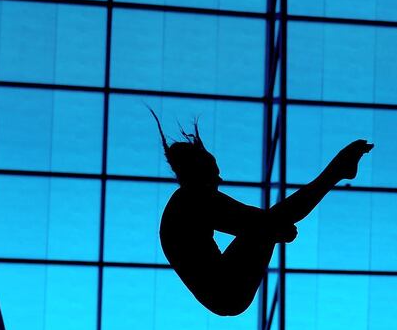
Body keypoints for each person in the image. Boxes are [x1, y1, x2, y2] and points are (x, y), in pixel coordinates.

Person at [152, 109, 373, 317]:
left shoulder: (185, 202)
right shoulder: (192, 199)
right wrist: (276, 230)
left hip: (224, 290)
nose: (220, 181)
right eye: (215, 175)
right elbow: (256, 221)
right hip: (226, 288)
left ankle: (338, 170)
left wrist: (275, 230)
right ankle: (337, 170)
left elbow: (256, 222)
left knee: (274, 220)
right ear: (200, 173)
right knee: (275, 218)